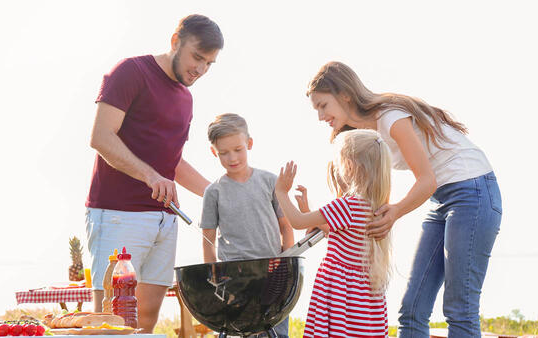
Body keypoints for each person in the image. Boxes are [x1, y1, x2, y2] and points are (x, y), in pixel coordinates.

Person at [306, 61, 502, 337]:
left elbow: (426, 179)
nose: (319, 116)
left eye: (323, 105)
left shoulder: (390, 118)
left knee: (460, 308)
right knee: (411, 311)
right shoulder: (362, 137)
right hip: (440, 199)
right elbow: (359, 189)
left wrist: (395, 211)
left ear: (345, 95)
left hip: (473, 190)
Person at [84, 14, 223, 333]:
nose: (200, 70)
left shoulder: (186, 99)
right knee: (110, 322)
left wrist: (218, 193)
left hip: (164, 220)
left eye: (209, 64)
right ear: (176, 41)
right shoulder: (130, 72)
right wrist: (150, 176)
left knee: (145, 321)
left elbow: (171, 163)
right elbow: (101, 137)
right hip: (118, 214)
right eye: (197, 58)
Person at [275, 129, 392, 337]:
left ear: (348, 165)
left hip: (341, 293)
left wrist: (281, 192)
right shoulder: (375, 206)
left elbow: (298, 222)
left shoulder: (346, 206)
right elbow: (337, 233)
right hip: (364, 297)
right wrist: (306, 208)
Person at [200, 113, 295, 338]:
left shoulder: (270, 181)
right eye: (224, 153)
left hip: (272, 274)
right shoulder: (213, 192)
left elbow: (286, 226)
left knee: (276, 332)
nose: (232, 157)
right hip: (234, 279)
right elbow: (207, 240)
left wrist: (285, 265)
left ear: (249, 144)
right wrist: (214, 277)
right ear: (214, 152)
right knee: (237, 332)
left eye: (238, 149)